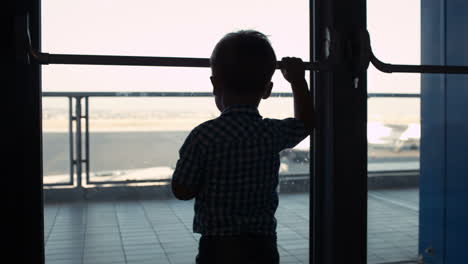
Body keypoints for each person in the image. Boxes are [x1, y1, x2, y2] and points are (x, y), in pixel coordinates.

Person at [171, 30, 313, 264]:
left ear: (215, 84)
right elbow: (306, 123)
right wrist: (298, 81)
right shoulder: (271, 133)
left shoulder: (203, 136)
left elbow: (182, 190)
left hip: (217, 245)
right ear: (267, 90)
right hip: (262, 243)